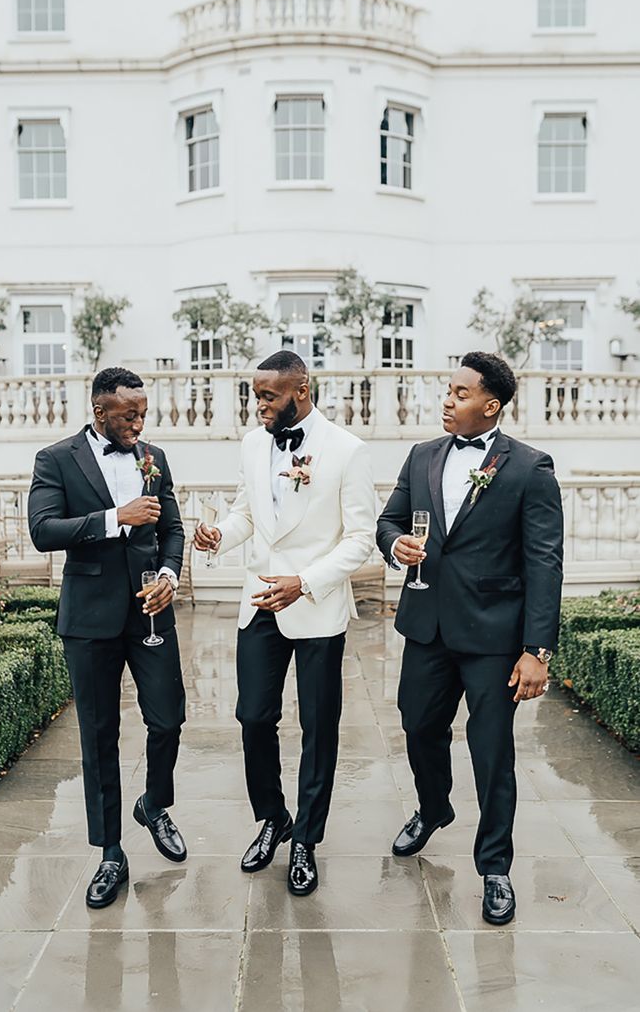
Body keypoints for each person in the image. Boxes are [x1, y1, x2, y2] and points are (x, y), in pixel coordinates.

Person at [376, 351, 563, 925]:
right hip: (427, 626)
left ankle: (496, 867)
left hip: (492, 639)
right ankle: (434, 808)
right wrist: (394, 546)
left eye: (460, 392)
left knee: (491, 753)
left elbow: (544, 562)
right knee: (417, 726)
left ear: (492, 405)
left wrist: (537, 651)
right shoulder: (422, 455)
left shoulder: (530, 468)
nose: (448, 400)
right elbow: (389, 521)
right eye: (447, 390)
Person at [194, 350, 376, 896]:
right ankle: (274, 819)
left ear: (301, 390)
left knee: (319, 728)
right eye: (256, 395)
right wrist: (219, 536)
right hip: (259, 601)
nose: (258, 406)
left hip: (315, 605)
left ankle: (306, 841)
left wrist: (307, 581)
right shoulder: (254, 444)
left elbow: (360, 540)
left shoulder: (347, 451)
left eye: (267, 396)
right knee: (253, 717)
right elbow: (248, 512)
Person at [28, 366, 187, 908]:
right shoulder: (56, 459)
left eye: (143, 413)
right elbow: (42, 530)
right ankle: (111, 853)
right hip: (90, 620)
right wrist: (113, 517)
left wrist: (168, 576)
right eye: (129, 415)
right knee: (99, 737)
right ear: (100, 411)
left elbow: (171, 528)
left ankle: (155, 803)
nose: (139, 423)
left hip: (150, 614)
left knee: (169, 718)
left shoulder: (155, 458)